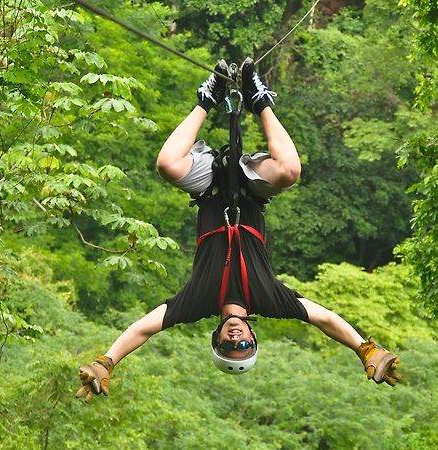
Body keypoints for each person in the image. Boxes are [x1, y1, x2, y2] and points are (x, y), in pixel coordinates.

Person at [76, 58, 401, 402]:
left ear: (215, 336)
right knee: (289, 170)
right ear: (252, 337)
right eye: (243, 345)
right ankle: (259, 100)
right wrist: (365, 349)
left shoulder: (197, 302)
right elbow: (326, 319)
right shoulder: (270, 300)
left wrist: (107, 362)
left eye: (228, 345)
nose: (236, 338)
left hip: (210, 189)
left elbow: (143, 329)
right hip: (252, 189)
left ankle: (208, 97)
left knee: (167, 164)